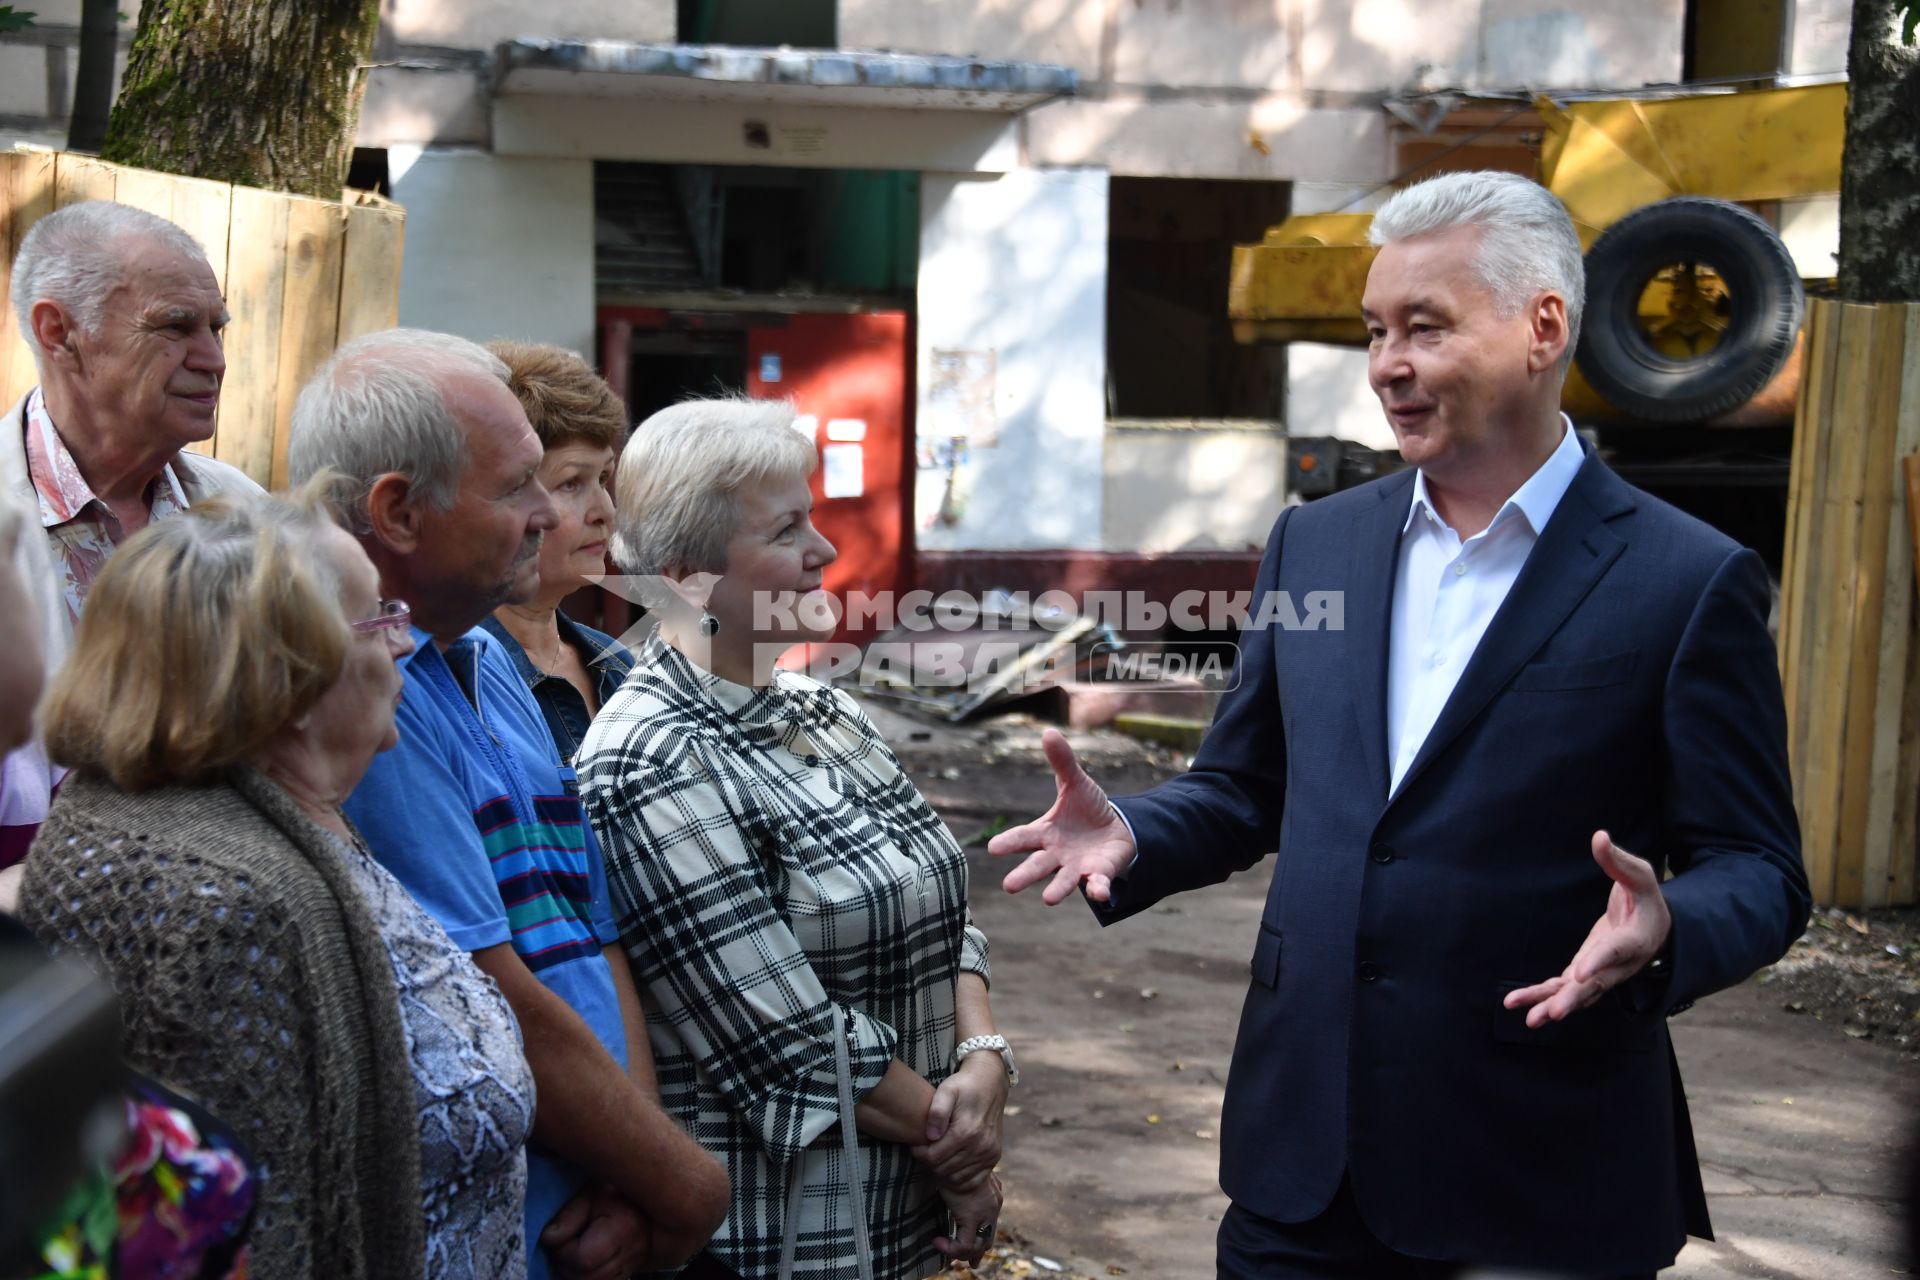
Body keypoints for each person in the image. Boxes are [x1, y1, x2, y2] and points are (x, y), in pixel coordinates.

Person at [990, 171, 1810, 1279]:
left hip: (1541, 1179)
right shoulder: (1312, 547)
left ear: (1543, 327)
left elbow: (1759, 865)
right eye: (1377, 331)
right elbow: (1248, 784)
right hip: (1303, 1169)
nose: (1388, 365)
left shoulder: (1687, 577)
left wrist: (1670, 927)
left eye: (1426, 327)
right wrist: (1138, 831)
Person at [287, 329, 729, 1280]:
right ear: (398, 512)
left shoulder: (489, 656)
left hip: (590, 1194)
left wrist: (636, 1170)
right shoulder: (365, 696)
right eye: (521, 487)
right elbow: (492, 992)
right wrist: (683, 1188)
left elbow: (588, 936)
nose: (554, 516)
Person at [15, 484, 536, 1278]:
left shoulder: (283, 821)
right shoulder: (225, 903)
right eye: (378, 618)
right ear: (293, 678)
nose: (404, 642)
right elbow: (278, 1232)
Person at [576, 397, 1010, 1280]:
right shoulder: (646, 760)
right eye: (787, 529)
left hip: (897, 1222)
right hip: (787, 1238)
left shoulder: (824, 707)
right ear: (686, 572)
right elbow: (789, 1037)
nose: (824, 551)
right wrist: (960, 1147)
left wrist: (982, 1054)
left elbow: (945, 905)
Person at [0, 200, 258, 874]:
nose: (214, 359)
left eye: (217, 327)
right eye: (176, 326)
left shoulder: (246, 513)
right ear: (59, 334)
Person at [478, 340, 633, 763]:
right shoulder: (457, 678)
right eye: (571, 483)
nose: (605, 511)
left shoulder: (617, 664)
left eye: (603, 478)